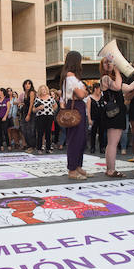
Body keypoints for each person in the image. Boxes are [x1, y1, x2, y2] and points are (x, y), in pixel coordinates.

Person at [99, 54, 134, 177]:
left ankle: (110, 169)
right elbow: (118, 87)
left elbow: (128, 88)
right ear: (102, 66)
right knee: (113, 143)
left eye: (110, 62)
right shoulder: (105, 78)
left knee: (112, 142)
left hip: (117, 113)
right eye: (106, 62)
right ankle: (111, 170)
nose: (109, 64)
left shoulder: (110, 79)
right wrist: (117, 70)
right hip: (114, 114)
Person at [60, 51, 89, 179]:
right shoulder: (70, 77)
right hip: (75, 107)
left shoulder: (71, 77)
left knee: (81, 139)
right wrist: (84, 91)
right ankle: (72, 169)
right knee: (75, 140)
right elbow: (82, 94)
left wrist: (84, 92)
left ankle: (77, 166)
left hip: (78, 107)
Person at [33, 85, 57, 153]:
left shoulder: (51, 98)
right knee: (40, 133)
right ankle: (39, 148)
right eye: (42, 89)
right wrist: (38, 108)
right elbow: (33, 109)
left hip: (49, 116)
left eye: (45, 89)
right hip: (40, 116)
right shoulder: (37, 98)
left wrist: (52, 110)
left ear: (47, 90)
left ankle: (48, 148)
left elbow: (55, 105)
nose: (44, 91)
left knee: (48, 132)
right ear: (40, 90)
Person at [20, 79, 36, 152]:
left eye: (29, 84)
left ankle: (32, 146)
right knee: (24, 129)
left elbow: (31, 104)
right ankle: (29, 145)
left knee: (30, 130)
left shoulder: (32, 92)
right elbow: (26, 103)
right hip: (24, 112)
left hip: (30, 113)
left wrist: (29, 115)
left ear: (31, 85)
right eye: (26, 84)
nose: (27, 85)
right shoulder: (25, 93)